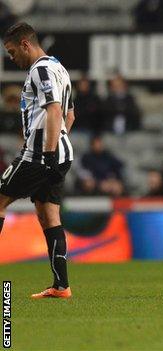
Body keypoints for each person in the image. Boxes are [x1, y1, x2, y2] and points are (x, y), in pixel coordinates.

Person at [0, 23, 75, 298]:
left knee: (0, 200)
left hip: (40, 153)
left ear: (24, 44)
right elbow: (70, 116)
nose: (10, 58)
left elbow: (55, 110)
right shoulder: (60, 68)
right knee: (48, 214)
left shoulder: (40, 70)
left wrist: (50, 152)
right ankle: (61, 286)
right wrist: (60, 148)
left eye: (11, 52)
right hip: (60, 153)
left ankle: (61, 285)